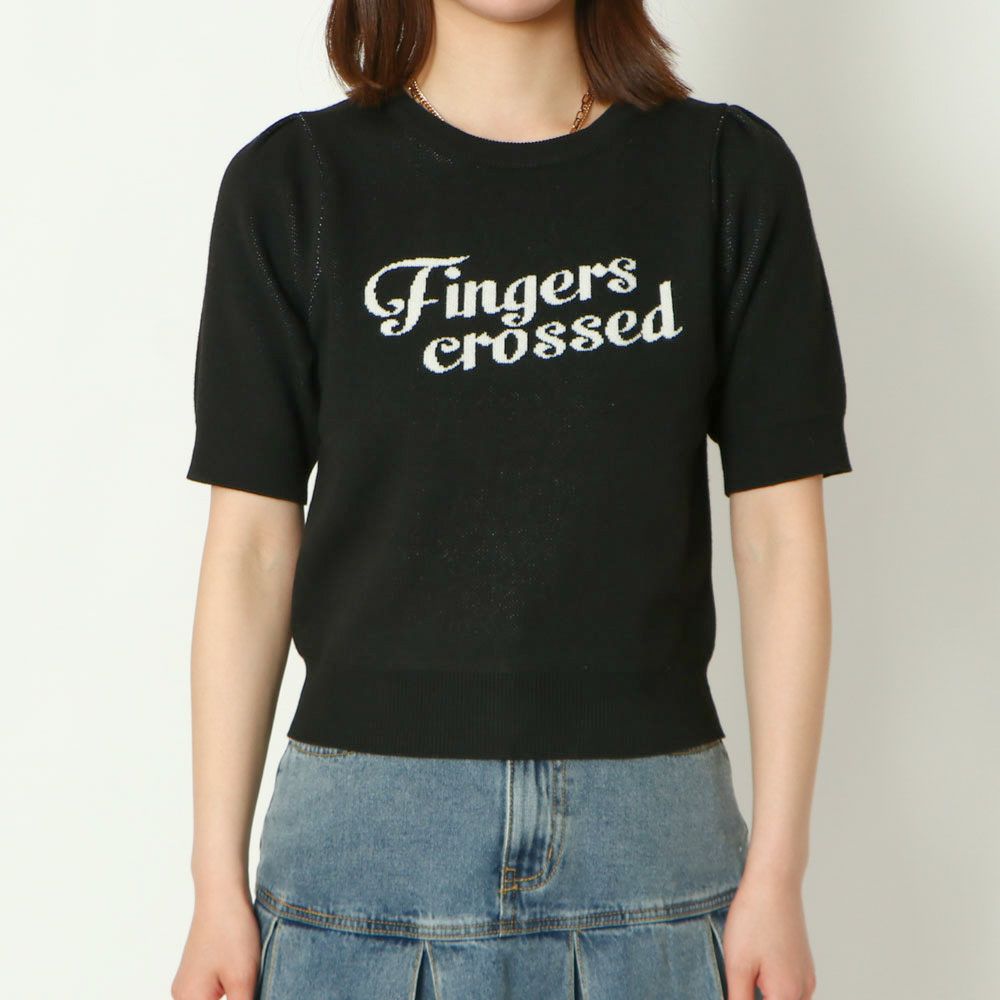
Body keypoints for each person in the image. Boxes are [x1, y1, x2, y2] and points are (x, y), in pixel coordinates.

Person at [171, 1, 851, 997]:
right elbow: (250, 549)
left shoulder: (723, 172)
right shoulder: (296, 183)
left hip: (652, 849)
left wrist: (779, 872)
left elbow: (780, 541)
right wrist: (213, 885)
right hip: (362, 852)